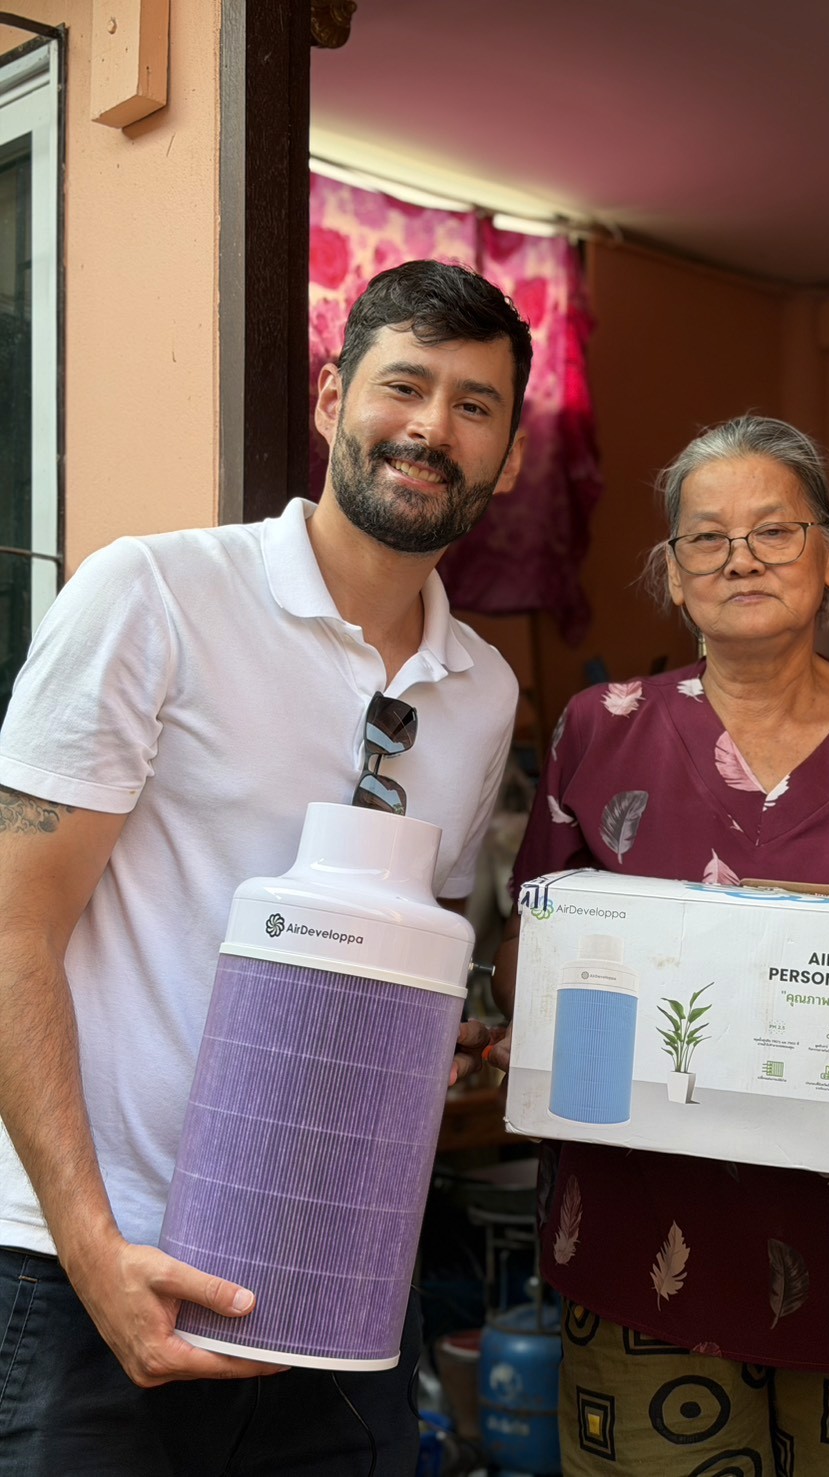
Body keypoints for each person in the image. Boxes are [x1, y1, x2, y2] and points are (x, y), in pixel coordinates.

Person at [0, 259, 532, 1475]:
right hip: (104, 1266)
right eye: (404, 386)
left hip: (338, 1285)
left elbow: (400, 945)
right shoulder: (157, 593)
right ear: (333, 395)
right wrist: (92, 1249)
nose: (430, 428)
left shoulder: (483, 690)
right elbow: (12, 927)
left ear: (507, 448)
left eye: (473, 404)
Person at [490, 415, 829, 1477]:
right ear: (670, 574)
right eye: (705, 538)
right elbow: (532, 955)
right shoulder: (597, 727)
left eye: (775, 530)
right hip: (641, 1245)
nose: (740, 555)